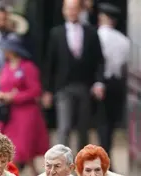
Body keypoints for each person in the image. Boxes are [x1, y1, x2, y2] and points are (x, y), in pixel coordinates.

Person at [42, 0, 105, 149]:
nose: (72, 12)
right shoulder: (56, 33)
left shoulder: (91, 32)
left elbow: (99, 60)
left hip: (84, 85)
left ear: (80, 10)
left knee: (83, 128)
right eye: (69, 9)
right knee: (64, 126)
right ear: (64, 11)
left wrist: (98, 82)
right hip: (63, 86)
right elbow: (50, 63)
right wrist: (47, 90)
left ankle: (81, 162)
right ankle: (62, 162)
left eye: (75, 9)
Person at [0, 34, 48, 176]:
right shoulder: (6, 67)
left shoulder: (28, 67)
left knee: (23, 149)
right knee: (11, 148)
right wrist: (1, 95)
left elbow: (35, 90)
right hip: (9, 114)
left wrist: (14, 96)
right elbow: (4, 86)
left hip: (25, 113)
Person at [95, 4, 130, 158]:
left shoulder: (97, 36)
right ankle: (107, 152)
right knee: (111, 123)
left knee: (101, 122)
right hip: (116, 82)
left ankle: (102, 154)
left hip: (100, 82)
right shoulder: (123, 40)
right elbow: (125, 64)